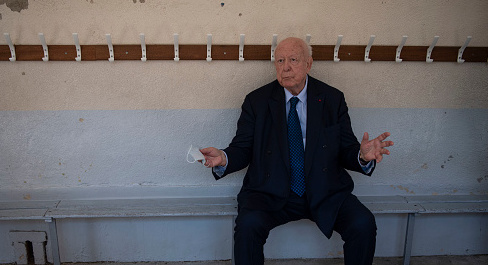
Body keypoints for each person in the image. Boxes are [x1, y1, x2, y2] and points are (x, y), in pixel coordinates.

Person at [200, 37, 393, 265]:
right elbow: (242, 148)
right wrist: (224, 157)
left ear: (308, 64)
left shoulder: (332, 99)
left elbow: (345, 148)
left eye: (293, 60)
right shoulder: (257, 101)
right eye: (280, 60)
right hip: (270, 191)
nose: (285, 67)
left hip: (324, 189)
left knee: (363, 223)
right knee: (247, 227)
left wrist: (361, 156)